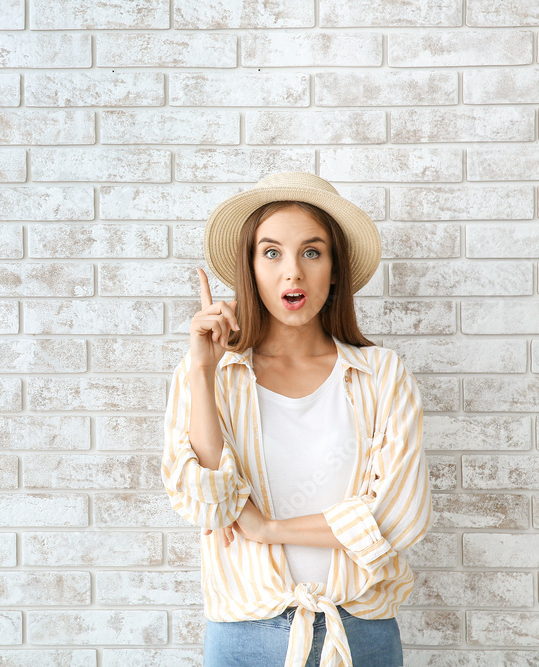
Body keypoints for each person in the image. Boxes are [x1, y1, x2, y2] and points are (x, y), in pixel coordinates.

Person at [161, 172, 433, 667]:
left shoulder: (381, 375)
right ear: (250, 269)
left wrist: (268, 528)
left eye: (312, 252)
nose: (293, 272)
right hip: (244, 637)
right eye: (271, 253)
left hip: (360, 633)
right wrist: (203, 369)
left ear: (334, 269)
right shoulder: (210, 373)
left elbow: (398, 516)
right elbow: (207, 504)